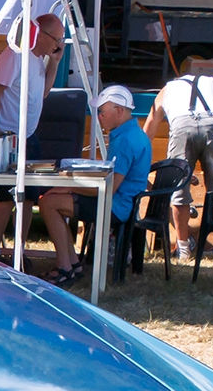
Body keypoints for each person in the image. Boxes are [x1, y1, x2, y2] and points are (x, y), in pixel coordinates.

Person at [38, 85, 151, 286]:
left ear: (119, 111)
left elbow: (109, 188)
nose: (98, 117)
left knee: (48, 203)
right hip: (122, 204)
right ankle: (71, 264)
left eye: (102, 112)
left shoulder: (125, 140)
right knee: (50, 200)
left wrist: (69, 187)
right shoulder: (134, 133)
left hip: (115, 207)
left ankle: (66, 266)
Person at [0, 13, 64, 261]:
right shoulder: (15, 55)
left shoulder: (38, 60)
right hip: (6, 135)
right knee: (5, 199)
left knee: (29, 197)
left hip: (28, 136)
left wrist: (55, 62)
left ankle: (19, 250)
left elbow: (45, 93)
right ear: (42, 35)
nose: (58, 44)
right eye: (57, 39)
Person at [143, 72, 213, 262]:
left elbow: (151, 123)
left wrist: (139, 154)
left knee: (178, 190)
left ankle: (183, 248)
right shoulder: (211, 82)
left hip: (182, 125)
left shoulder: (167, 89)